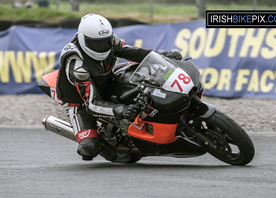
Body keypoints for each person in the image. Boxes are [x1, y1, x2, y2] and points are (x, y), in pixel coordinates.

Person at [56, 14, 182, 161]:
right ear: (84, 40)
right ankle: (100, 142)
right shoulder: (77, 66)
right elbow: (92, 103)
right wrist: (121, 110)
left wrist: (163, 55)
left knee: (143, 79)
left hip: (106, 81)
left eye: (105, 42)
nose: (103, 47)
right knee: (89, 148)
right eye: (97, 44)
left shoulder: (111, 41)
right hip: (79, 102)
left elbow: (133, 52)